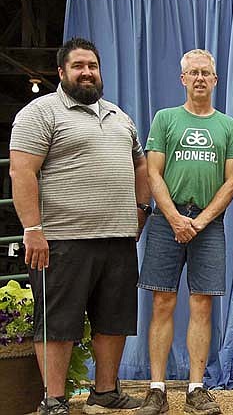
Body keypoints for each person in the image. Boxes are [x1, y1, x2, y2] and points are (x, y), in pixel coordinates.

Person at [9, 37, 148, 415]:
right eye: (78, 66)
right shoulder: (40, 113)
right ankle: (53, 401)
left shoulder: (121, 116)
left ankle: (105, 392)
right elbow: (22, 170)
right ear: (61, 72)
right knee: (58, 322)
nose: (87, 72)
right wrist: (32, 229)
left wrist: (141, 208)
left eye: (92, 66)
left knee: (114, 320)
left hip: (118, 239)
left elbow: (140, 164)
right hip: (61, 239)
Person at [136, 49, 233, 415]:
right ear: (183, 79)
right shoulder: (165, 119)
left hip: (208, 225)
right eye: (193, 73)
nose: (200, 78)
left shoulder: (229, 127)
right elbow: (153, 174)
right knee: (163, 301)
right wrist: (175, 219)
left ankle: (197, 389)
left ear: (216, 80)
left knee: (202, 303)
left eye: (206, 73)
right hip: (167, 222)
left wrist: (199, 221)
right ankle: (156, 389)